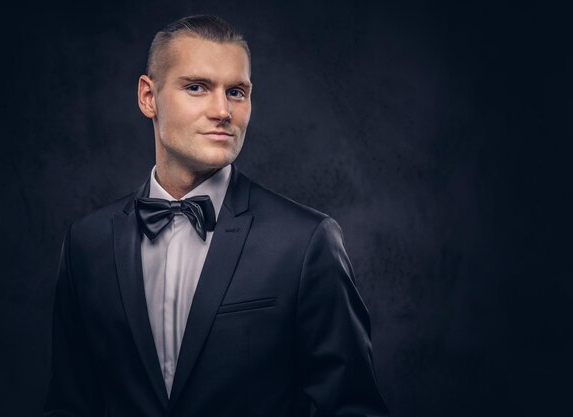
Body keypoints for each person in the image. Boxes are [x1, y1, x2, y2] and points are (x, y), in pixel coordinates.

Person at [43, 14, 388, 417]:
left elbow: (353, 409)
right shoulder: (86, 243)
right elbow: (69, 406)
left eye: (237, 92)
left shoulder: (307, 241)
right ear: (147, 97)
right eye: (197, 87)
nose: (222, 110)